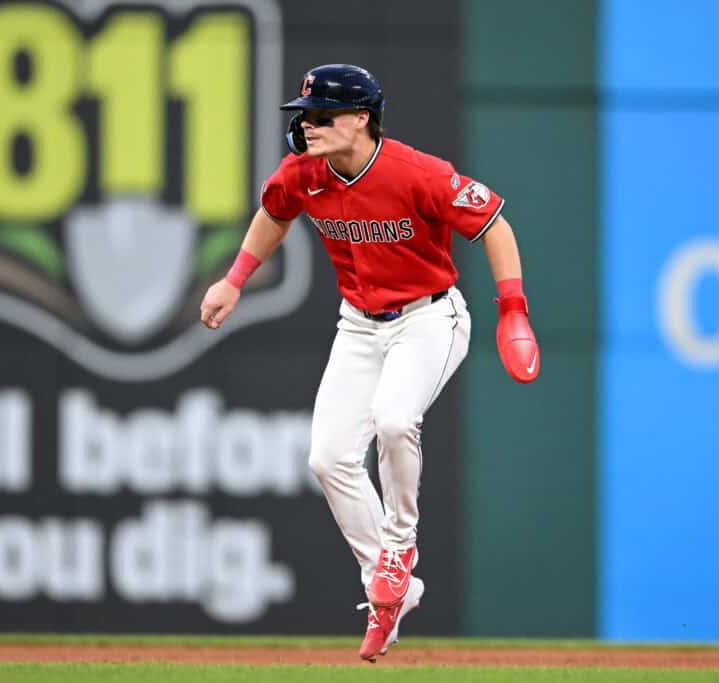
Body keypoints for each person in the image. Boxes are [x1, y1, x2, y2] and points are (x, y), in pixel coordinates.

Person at [200, 64, 540, 662]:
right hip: (359, 323)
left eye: (321, 116)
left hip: (430, 317)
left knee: (393, 420)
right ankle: (393, 589)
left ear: (360, 118)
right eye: (302, 116)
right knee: (327, 458)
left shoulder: (417, 172)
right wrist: (235, 279)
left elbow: (494, 224)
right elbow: (274, 213)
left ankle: (399, 546)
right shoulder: (302, 174)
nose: (307, 126)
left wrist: (513, 309)